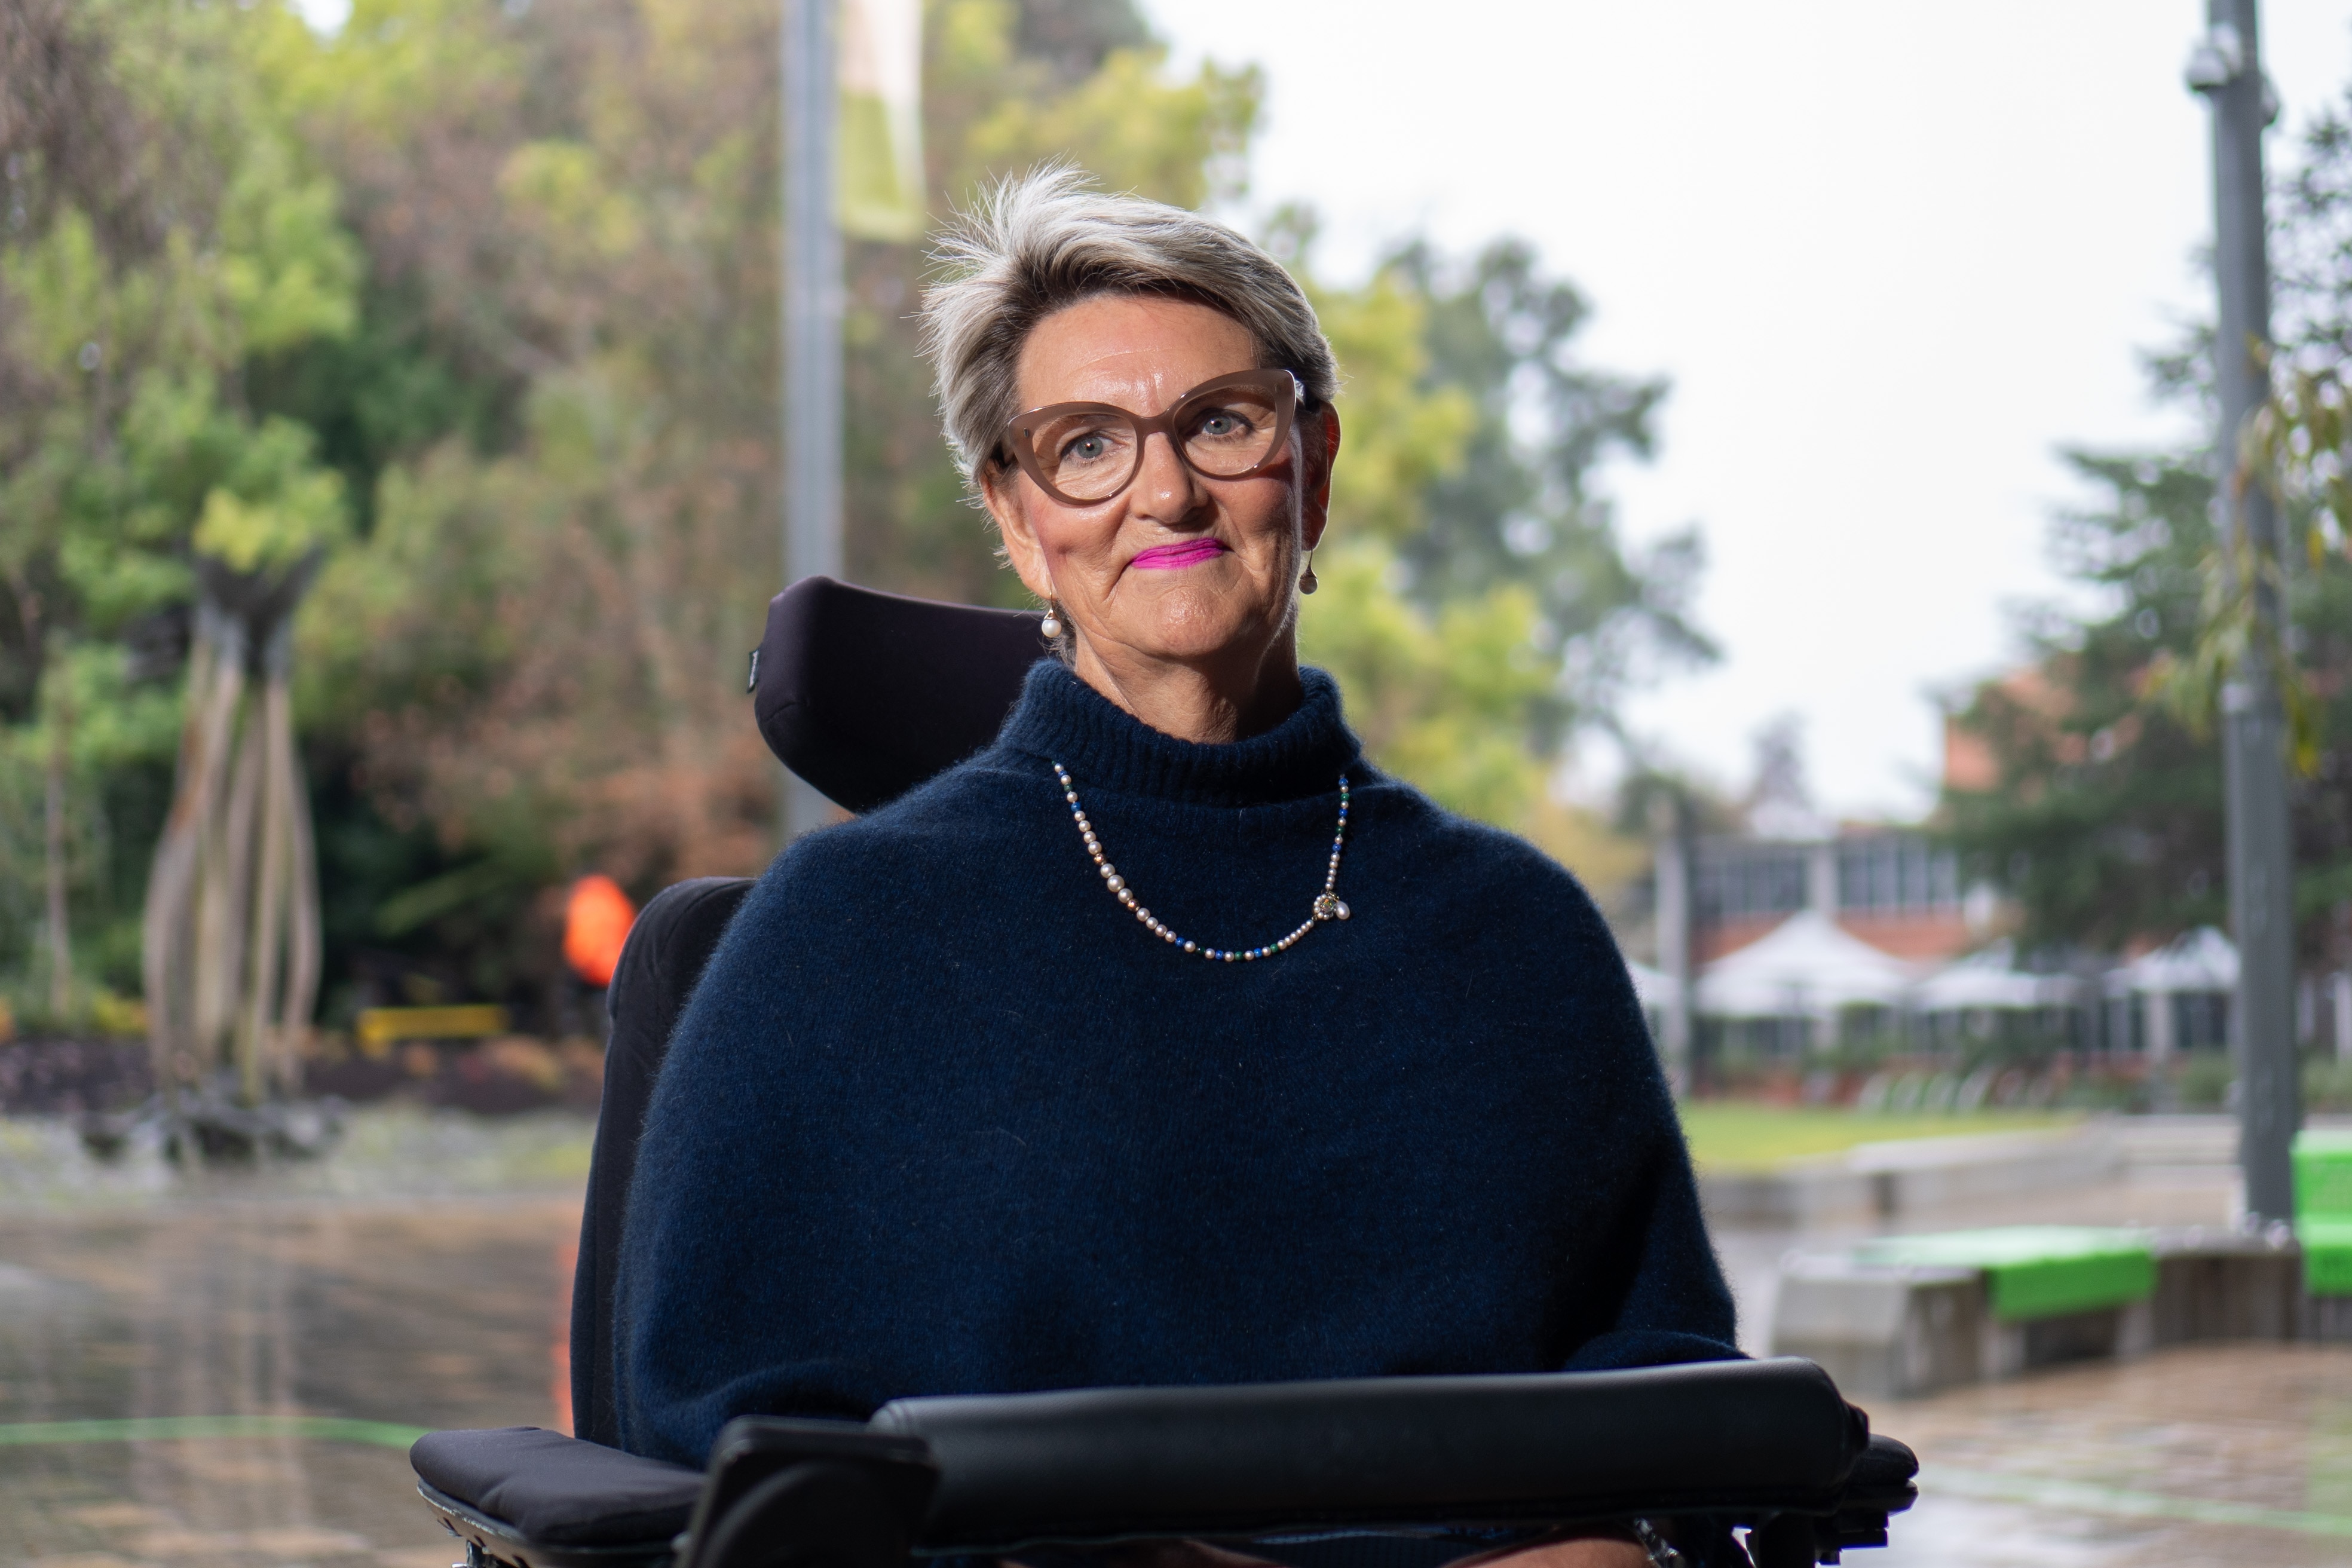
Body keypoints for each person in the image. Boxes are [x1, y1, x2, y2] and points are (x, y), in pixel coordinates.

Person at [611, 169, 1738, 1568]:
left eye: (1222, 422)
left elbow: (1676, 1398)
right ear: (1020, 520)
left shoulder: (1518, 936)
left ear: (1313, 468)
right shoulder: (840, 934)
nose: (1166, 489)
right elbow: (746, 1437)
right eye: (1086, 445)